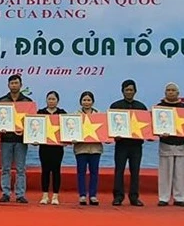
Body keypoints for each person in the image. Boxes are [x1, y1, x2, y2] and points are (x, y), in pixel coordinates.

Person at [109, 79, 147, 207]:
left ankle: (134, 197)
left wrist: (149, 135)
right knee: (119, 170)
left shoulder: (142, 107)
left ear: (135, 91)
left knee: (135, 171)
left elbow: (146, 127)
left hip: (136, 145)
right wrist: (114, 135)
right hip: (121, 145)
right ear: (122, 91)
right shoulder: (115, 106)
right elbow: (110, 126)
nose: (129, 92)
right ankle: (118, 197)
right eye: (127, 90)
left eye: (131, 90)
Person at [0, 74, 32, 203]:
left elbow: (31, 122)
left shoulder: (28, 102)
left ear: (21, 85)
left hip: (21, 140)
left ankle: (20, 194)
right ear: (8, 85)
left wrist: (26, 130)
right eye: (12, 83)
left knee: (20, 169)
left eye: (16, 83)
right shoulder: (1, 101)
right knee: (5, 168)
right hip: (6, 139)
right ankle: (5, 193)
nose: (14, 85)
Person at [156, 82, 184, 207]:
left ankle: (180, 197)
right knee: (165, 172)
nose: (171, 92)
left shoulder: (183, 108)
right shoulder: (159, 108)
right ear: (165, 92)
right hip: (165, 143)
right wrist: (159, 133)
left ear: (178, 93)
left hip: (181, 143)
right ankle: (164, 197)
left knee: (180, 172)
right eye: (168, 90)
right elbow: (154, 126)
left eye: (173, 90)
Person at [37, 91, 66, 205]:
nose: (51, 101)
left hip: (57, 148)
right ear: (46, 100)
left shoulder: (62, 114)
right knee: (45, 171)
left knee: (56, 171)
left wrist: (67, 140)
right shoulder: (40, 113)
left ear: (57, 101)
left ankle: (55, 196)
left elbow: (67, 129)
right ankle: (44, 195)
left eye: (53, 99)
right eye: (49, 99)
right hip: (44, 147)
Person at [74, 91, 102, 206]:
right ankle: (82, 195)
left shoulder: (99, 115)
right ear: (81, 101)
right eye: (84, 100)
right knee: (81, 172)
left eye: (89, 100)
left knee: (94, 172)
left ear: (93, 102)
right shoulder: (75, 115)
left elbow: (103, 131)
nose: (86, 102)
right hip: (81, 148)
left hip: (95, 148)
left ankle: (93, 195)